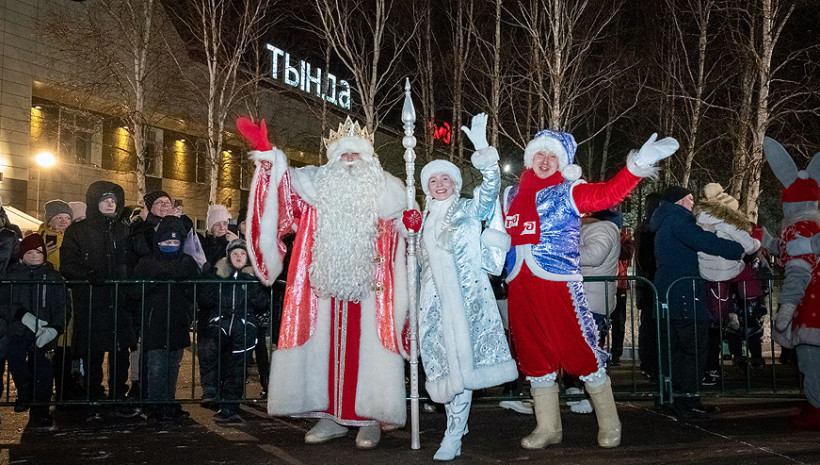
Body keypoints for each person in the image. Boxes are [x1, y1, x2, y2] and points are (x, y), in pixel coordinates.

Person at [236, 116, 409, 449]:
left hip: (372, 289)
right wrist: (268, 156)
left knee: (367, 350)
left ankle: (369, 418)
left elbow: (406, 234)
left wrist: (410, 224)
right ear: (333, 158)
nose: (349, 160)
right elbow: (283, 191)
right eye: (343, 154)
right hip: (322, 287)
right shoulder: (313, 186)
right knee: (325, 351)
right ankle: (329, 417)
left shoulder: (390, 192)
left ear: (368, 158)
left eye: (355, 154)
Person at [503, 129, 678, 449]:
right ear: (530, 158)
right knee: (532, 353)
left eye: (553, 156)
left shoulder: (568, 191)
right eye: (540, 154)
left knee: (579, 349)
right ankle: (548, 427)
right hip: (519, 282)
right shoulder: (511, 194)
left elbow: (608, 195)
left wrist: (637, 166)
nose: (545, 161)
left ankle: (610, 421)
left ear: (562, 162)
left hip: (557, 283)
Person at [412, 114, 517, 461]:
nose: (440, 184)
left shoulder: (469, 209)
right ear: (426, 187)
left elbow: (491, 188)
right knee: (443, 366)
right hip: (433, 303)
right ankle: (456, 422)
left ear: (455, 183)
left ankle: (454, 433)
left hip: (467, 299)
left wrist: (484, 151)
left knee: (462, 365)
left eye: (446, 178)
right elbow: (417, 265)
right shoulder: (422, 221)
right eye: (433, 180)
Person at [650, 186, 744, 420]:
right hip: (685, 296)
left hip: (668, 295)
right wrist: (736, 249)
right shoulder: (679, 220)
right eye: (690, 199)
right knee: (693, 350)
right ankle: (688, 400)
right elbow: (704, 241)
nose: (693, 203)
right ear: (679, 201)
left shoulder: (663, 221)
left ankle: (669, 398)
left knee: (671, 351)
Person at [60, 180, 137, 421]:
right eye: (105, 200)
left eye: (113, 200)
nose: (110, 204)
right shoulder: (78, 231)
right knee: (92, 354)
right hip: (92, 301)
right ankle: (92, 397)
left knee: (120, 353)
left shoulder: (123, 230)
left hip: (119, 302)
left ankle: (117, 396)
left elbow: (133, 261)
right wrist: (88, 275)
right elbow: (67, 264)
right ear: (95, 202)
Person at [763, 137, 820, 431]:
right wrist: (767, 241)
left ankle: (816, 407)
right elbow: (786, 251)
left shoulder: (799, 229)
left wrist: (786, 308)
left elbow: (798, 269)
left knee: (811, 358)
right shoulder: (813, 227)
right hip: (812, 303)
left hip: (810, 305)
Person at [130, 215, 199, 422]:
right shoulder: (148, 262)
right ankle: (155, 405)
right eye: (166, 241)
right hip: (155, 323)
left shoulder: (186, 262)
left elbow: (195, 289)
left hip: (178, 321)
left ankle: (168, 402)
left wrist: (186, 288)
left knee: (172, 365)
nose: (170, 245)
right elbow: (134, 291)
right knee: (156, 367)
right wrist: (153, 283)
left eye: (175, 242)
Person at [694, 183, 761, 384]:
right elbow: (749, 246)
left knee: (716, 304)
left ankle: (724, 314)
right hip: (729, 268)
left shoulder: (698, 219)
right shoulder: (728, 222)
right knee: (749, 276)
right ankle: (752, 306)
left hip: (706, 271)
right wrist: (757, 241)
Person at [198, 238, 269, 423]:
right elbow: (206, 300)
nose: (239, 257)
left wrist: (256, 281)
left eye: (243, 254)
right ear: (228, 256)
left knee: (237, 366)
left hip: (244, 325)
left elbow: (262, 303)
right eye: (235, 253)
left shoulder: (252, 277)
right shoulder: (220, 274)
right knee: (209, 349)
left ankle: (229, 407)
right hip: (221, 322)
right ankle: (211, 391)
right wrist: (210, 278)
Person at [1, 234, 66, 426]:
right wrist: (20, 315)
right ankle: (24, 389)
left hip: (45, 329)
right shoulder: (13, 276)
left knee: (44, 368)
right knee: (14, 354)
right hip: (19, 328)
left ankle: (41, 409)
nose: (34, 256)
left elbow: (62, 306)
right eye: (29, 252)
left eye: (38, 252)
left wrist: (56, 327)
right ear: (22, 255)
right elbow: (3, 302)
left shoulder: (53, 277)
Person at [635, 193, 661, 380]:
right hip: (651, 284)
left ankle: (648, 363)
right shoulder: (649, 230)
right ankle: (650, 364)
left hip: (647, 285)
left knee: (649, 325)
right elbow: (646, 259)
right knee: (651, 326)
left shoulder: (645, 228)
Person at [612, 226, 635, 366]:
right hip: (612, 283)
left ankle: (616, 354)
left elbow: (625, 254)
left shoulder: (625, 239)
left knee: (619, 322)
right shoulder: (624, 239)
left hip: (619, 285)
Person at [202, 204, 237, 271]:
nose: (222, 228)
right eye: (217, 224)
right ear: (211, 228)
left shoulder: (232, 244)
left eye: (225, 223)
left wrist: (237, 244)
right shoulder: (203, 245)